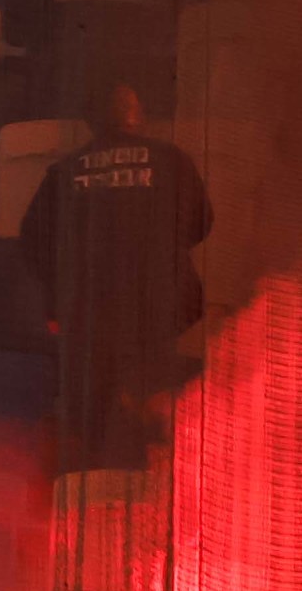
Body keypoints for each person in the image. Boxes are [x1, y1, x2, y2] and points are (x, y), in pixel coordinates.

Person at [13, 84, 215, 471]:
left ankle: (100, 476)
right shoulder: (171, 160)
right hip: (161, 304)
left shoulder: (64, 171)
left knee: (97, 408)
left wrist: (63, 291)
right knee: (150, 396)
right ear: (136, 115)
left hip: (89, 310)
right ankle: (150, 473)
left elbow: (34, 241)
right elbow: (202, 223)